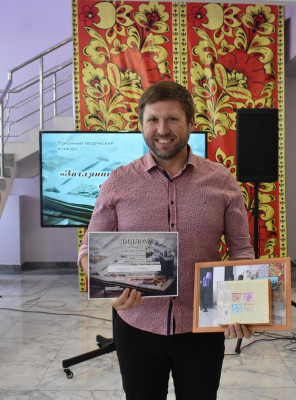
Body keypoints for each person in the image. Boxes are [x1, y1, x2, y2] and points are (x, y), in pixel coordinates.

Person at [78, 81, 254, 399]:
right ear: (141, 124)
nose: (162, 129)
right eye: (153, 120)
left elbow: (241, 249)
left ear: (190, 123)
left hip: (202, 326)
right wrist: (110, 289)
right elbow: (89, 250)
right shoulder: (118, 181)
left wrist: (241, 307)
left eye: (172, 119)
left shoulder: (222, 180)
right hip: (136, 325)